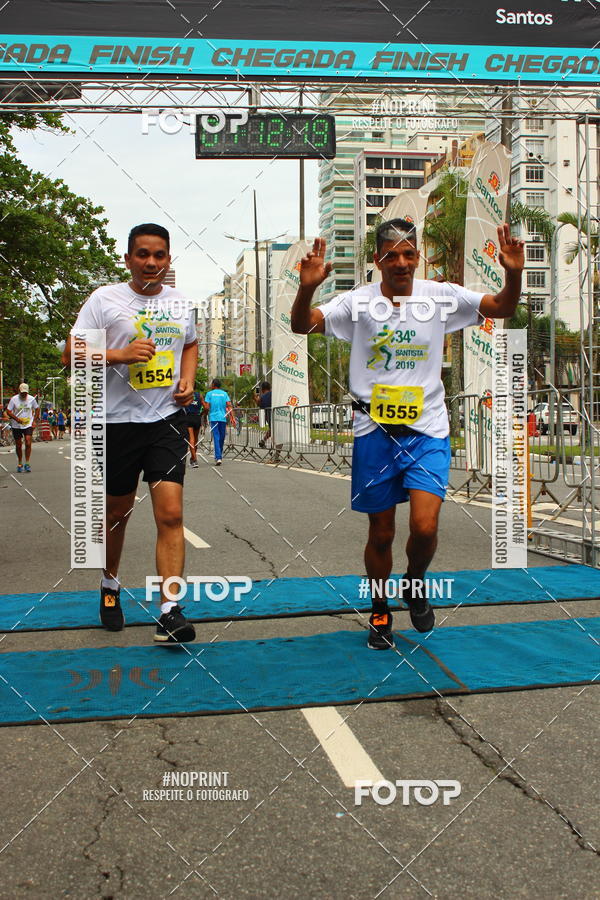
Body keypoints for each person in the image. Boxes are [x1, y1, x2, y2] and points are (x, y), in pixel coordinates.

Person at [291, 220, 524, 650]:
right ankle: (380, 606)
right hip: (374, 431)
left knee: (425, 525)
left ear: (418, 257)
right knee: (381, 533)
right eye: (391, 255)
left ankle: (414, 581)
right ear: (377, 260)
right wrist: (307, 289)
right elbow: (304, 324)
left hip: (427, 429)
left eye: (408, 254)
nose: (401, 262)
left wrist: (513, 273)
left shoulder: (440, 296)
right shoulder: (357, 302)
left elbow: (502, 307)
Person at [62, 223, 198, 644]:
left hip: (166, 422)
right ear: (128, 259)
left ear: (168, 260)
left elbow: (190, 344)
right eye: (143, 254)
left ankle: (170, 611)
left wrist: (188, 380)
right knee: (117, 516)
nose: (151, 263)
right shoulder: (105, 299)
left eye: (159, 255)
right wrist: (119, 353)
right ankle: (109, 585)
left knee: (171, 514)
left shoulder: (180, 303)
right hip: (117, 423)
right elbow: (70, 354)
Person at [6, 383, 39, 472]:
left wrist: (34, 421)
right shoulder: (14, 399)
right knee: (19, 445)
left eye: (25, 393)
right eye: (22, 393)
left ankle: (27, 463)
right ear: (19, 391)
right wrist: (17, 419)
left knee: (28, 442)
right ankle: (20, 463)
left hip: (28, 424)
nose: (24, 394)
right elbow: (8, 411)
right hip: (16, 425)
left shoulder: (32, 399)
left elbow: (37, 408)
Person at [203, 378, 235, 466]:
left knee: (217, 437)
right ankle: (218, 457)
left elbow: (206, 407)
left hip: (213, 418)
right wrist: (232, 417)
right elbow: (229, 406)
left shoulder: (209, 394)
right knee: (221, 437)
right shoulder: (224, 394)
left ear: (213, 385)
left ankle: (218, 457)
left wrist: (205, 415)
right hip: (223, 418)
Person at [185, 388, 204, 468]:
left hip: (189, 417)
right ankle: (193, 458)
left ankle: (195, 460)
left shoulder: (186, 394)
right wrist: (202, 414)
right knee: (195, 439)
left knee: (191, 439)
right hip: (197, 417)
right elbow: (206, 407)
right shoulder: (200, 395)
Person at [256, 381, 272, 448]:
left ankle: (263, 440)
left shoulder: (262, 397)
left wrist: (256, 399)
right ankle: (275, 451)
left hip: (267, 415)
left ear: (262, 389)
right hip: (275, 414)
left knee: (272, 429)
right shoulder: (272, 394)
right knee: (275, 431)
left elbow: (260, 405)